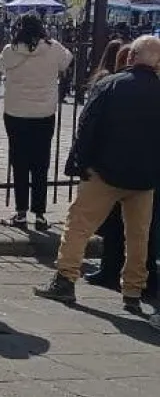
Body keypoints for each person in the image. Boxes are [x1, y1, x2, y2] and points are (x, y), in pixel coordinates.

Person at [35, 35, 160, 314]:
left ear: (130, 57)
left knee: (78, 225)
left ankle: (65, 279)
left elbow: (87, 126)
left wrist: (80, 163)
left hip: (105, 171)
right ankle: (132, 290)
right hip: (144, 178)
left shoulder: (109, 85)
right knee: (138, 235)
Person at [0, 15, 73, 230]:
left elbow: (0, 67)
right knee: (41, 163)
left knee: (19, 162)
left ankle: (21, 211)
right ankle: (39, 213)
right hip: (44, 113)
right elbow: (68, 60)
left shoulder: (10, 50)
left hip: (16, 112)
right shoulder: (53, 48)